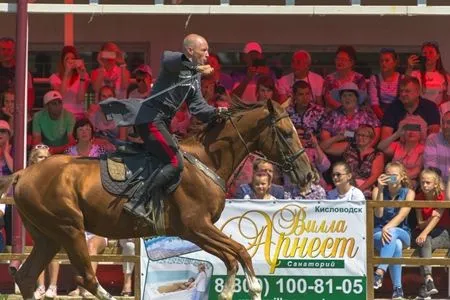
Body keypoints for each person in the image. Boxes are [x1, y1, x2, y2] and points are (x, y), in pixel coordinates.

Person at [101, 34, 227, 214]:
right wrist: (197, 68)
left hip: (161, 122)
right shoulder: (172, 61)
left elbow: (198, 107)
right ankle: (138, 201)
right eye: (204, 50)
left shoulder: (195, 77)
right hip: (150, 119)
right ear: (190, 50)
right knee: (175, 161)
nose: (208, 54)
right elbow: (172, 60)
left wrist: (217, 112)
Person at [372, 162, 415, 300]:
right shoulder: (377, 190)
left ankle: (379, 271)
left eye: (394, 176)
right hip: (379, 231)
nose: (391, 178)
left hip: (402, 231)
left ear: (402, 177)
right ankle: (398, 289)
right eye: (388, 175)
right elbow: (378, 214)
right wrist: (379, 188)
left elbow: (402, 215)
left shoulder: (409, 192)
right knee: (395, 245)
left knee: (393, 235)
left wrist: (387, 227)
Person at [414, 168, 450, 299]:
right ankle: (428, 279)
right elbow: (420, 223)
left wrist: (424, 231)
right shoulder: (418, 197)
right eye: (422, 182)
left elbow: (438, 217)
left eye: (428, 182)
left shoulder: (442, 196)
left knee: (424, 241)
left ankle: (426, 285)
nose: (424, 185)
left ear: (435, 183)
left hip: (444, 233)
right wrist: (427, 222)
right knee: (424, 241)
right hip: (428, 233)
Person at [29, 144, 59, 299]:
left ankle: (53, 286)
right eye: (41, 157)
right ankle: (40, 287)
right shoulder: (30, 176)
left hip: (53, 216)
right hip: (37, 217)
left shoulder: (55, 175)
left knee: (53, 250)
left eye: (46, 157)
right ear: (33, 159)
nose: (44, 160)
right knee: (39, 251)